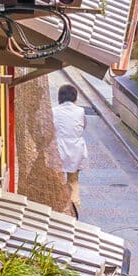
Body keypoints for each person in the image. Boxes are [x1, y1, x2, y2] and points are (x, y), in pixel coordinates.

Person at [53, 82, 87, 216]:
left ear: (59, 98)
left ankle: (61, 210)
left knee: (58, 180)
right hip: (76, 149)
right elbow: (83, 125)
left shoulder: (54, 111)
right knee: (73, 180)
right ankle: (74, 211)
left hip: (58, 148)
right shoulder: (81, 111)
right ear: (75, 98)